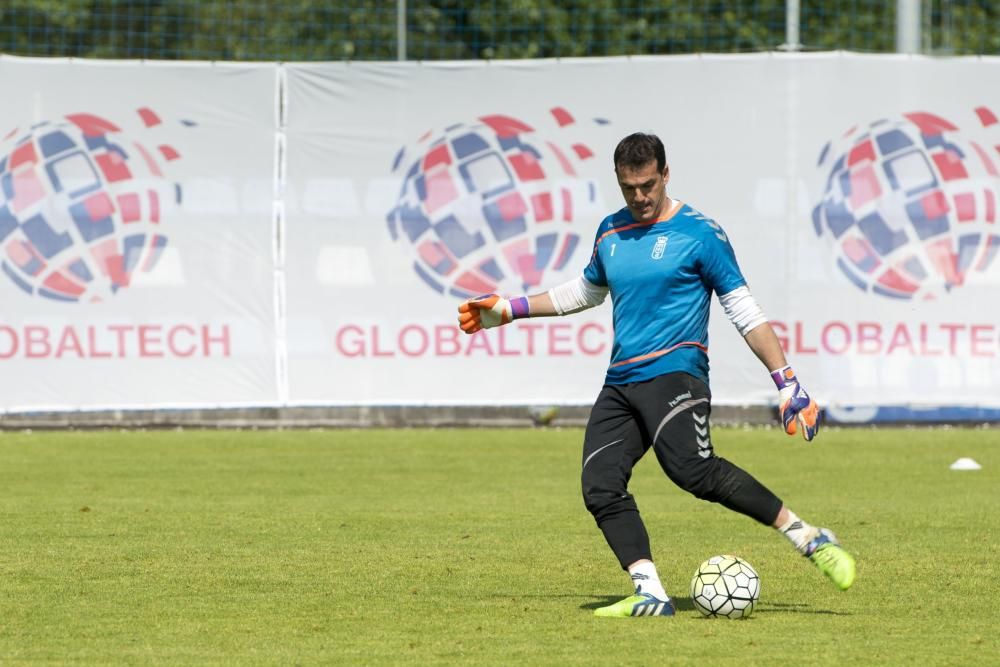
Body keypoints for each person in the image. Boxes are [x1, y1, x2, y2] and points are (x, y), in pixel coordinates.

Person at [456, 132, 855, 618]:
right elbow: (584, 292)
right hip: (621, 383)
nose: (640, 197)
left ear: (666, 174)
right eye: (629, 188)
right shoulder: (610, 232)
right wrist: (510, 308)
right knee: (599, 485)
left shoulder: (700, 233)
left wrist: (787, 381)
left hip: (676, 376)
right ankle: (650, 592)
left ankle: (809, 539)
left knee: (693, 472)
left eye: (648, 185)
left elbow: (745, 312)